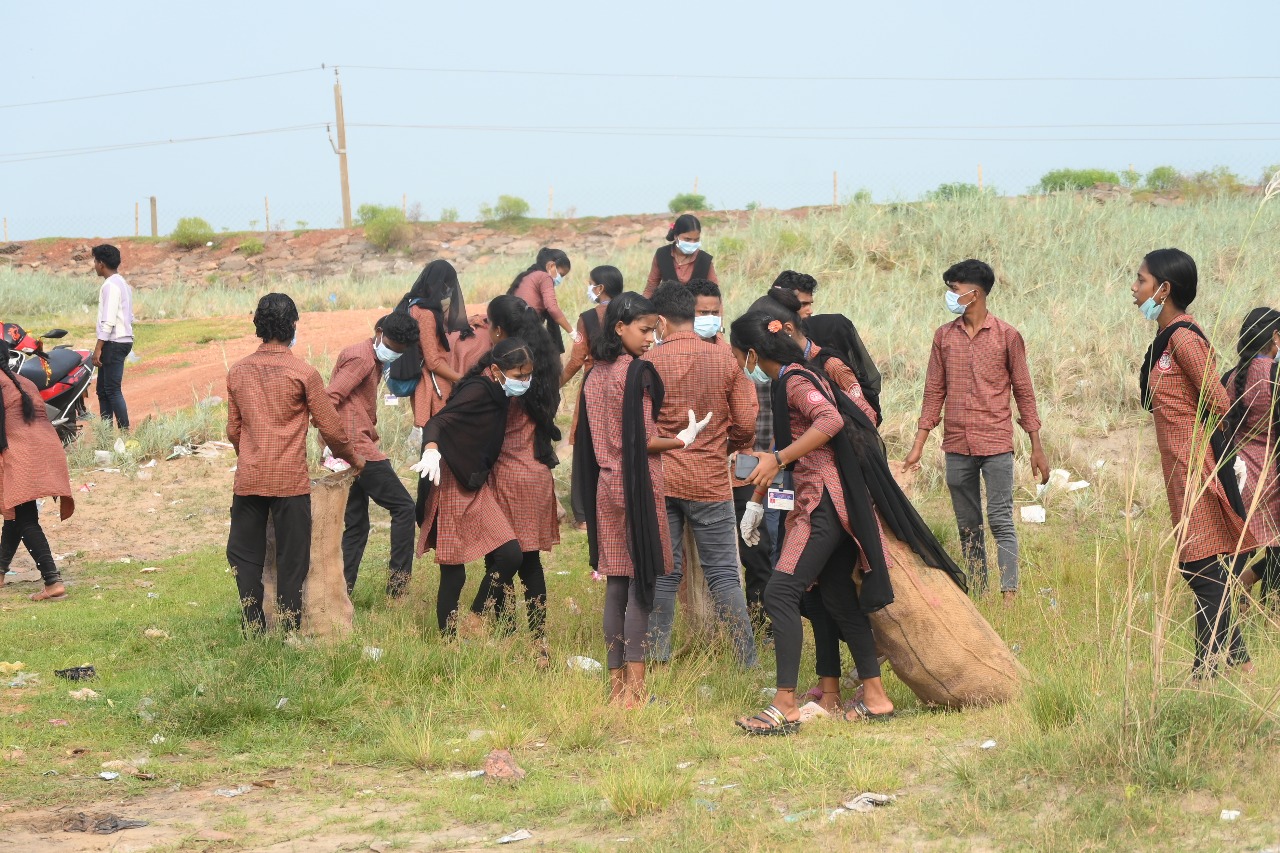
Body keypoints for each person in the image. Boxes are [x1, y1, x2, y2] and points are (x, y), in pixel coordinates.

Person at [730, 312, 895, 733]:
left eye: (737, 356)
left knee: (780, 592)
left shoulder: (793, 380)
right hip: (829, 502)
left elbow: (829, 421)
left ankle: (784, 704)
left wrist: (780, 458)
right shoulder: (794, 376)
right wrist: (757, 500)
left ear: (752, 354)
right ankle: (876, 699)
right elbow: (783, 445)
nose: (738, 364)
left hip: (819, 503)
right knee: (837, 596)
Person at [573, 292, 710, 707]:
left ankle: (617, 690)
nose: (651, 338)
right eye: (645, 330)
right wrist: (682, 440)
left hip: (606, 485)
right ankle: (637, 690)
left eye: (654, 330)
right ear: (620, 327)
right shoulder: (636, 373)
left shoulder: (594, 374)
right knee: (642, 585)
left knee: (617, 584)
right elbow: (644, 440)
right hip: (637, 485)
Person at [1135, 249, 1255, 676]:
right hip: (1178, 470)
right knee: (1201, 567)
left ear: (1164, 289)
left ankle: (1206, 671)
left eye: (1142, 280)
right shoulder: (1165, 339)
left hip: (1195, 467)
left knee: (1200, 567)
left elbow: (1219, 402)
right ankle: (1239, 664)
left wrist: (1211, 457)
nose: (1134, 288)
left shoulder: (1184, 339)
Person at [903, 259, 1049, 602]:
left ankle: (1009, 594)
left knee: (1000, 520)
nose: (950, 295)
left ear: (975, 293)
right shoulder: (944, 336)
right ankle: (979, 594)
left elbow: (1024, 391)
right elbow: (933, 391)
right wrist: (919, 444)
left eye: (954, 289)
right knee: (968, 525)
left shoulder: (1007, 336)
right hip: (956, 444)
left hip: (996, 441)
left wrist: (1036, 446)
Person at [226, 294, 364, 633]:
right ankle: (289, 626)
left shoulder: (238, 371)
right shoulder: (304, 373)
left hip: (250, 479)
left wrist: (251, 455)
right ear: (291, 326)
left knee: (244, 555)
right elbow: (331, 428)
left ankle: (254, 624)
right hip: (290, 482)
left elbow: (233, 430)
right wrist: (353, 458)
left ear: (258, 326)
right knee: (293, 557)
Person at [643, 283, 758, 668]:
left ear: (660, 321)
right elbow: (746, 424)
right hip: (709, 480)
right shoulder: (724, 359)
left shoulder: (648, 362)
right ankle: (746, 662)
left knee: (664, 573)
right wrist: (722, 447)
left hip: (662, 478)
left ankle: (656, 657)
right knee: (724, 574)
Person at [411, 338, 532, 635]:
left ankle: (475, 617)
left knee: (510, 554)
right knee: (454, 572)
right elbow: (437, 422)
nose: (524, 382)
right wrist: (431, 449)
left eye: (528, 375)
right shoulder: (479, 390)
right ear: (496, 370)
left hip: (474, 482)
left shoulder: (499, 392)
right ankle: (448, 642)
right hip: (451, 478)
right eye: (519, 376)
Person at [480, 296, 563, 660]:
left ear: (499, 330)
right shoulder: (541, 371)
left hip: (506, 476)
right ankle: (538, 640)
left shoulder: (502, 375)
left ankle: (506, 634)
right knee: (530, 562)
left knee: (499, 558)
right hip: (537, 475)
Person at [330, 313, 420, 598]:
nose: (393, 353)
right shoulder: (362, 358)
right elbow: (330, 397)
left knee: (357, 525)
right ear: (379, 332)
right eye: (391, 347)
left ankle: (340, 594)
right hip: (356, 447)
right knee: (404, 508)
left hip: (349, 445)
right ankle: (398, 590)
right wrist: (335, 442)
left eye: (399, 352)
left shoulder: (371, 357)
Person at [0, 340, 75, 602]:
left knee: (25, 518)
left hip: (22, 452)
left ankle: (53, 581)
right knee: (16, 511)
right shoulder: (24, 381)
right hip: (46, 448)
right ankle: (1, 571)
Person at [562, 266, 625, 530]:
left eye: (590, 284)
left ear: (600, 288)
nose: (588, 288)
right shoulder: (630, 310)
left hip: (595, 385)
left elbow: (577, 358)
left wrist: (557, 383)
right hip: (626, 381)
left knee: (587, 444)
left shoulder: (587, 318)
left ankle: (584, 515)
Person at [1223, 308, 1280, 599]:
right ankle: (1268, 609)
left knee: (1241, 549)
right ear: (1275, 338)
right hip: (1271, 477)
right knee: (1276, 550)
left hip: (1238, 476)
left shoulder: (1231, 377)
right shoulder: (1275, 376)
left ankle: (1233, 593)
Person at [398, 260, 473, 429]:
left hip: (420, 380)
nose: (448, 293)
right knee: (440, 431)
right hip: (433, 385)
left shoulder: (411, 304)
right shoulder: (426, 315)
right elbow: (433, 361)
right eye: (447, 287)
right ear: (439, 284)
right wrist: (462, 379)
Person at [91, 244, 134, 430]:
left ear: (101, 264)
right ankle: (106, 435)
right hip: (122, 340)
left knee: (112, 390)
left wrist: (98, 348)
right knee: (103, 390)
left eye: (95, 261)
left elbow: (108, 321)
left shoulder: (110, 286)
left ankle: (125, 433)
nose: (94, 265)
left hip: (114, 342)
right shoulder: (122, 283)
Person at [509, 248, 576, 354]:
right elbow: (552, 308)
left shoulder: (529, 275)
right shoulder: (544, 277)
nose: (560, 279)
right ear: (551, 266)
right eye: (561, 274)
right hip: (524, 328)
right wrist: (572, 333)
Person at [643, 214, 719, 298]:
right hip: (667, 305)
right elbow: (651, 287)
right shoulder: (662, 255)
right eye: (687, 239)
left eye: (696, 239)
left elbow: (714, 292)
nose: (692, 243)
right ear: (676, 236)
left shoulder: (705, 260)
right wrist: (641, 305)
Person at [686, 278, 725, 342]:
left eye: (715, 312)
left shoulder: (725, 347)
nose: (711, 318)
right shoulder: (674, 346)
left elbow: (721, 330)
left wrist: (721, 332)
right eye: (704, 312)